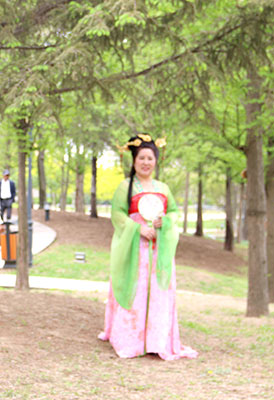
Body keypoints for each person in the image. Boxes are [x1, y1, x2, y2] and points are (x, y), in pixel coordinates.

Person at [98, 134, 197, 361]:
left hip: (158, 250)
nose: (146, 162)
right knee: (136, 290)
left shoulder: (163, 188)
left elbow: (173, 212)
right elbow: (117, 215)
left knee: (159, 292)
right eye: (141, 158)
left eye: (150, 158)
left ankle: (156, 341)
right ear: (134, 160)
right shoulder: (125, 187)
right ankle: (131, 340)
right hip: (136, 250)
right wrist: (138, 229)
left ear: (156, 161)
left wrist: (166, 222)